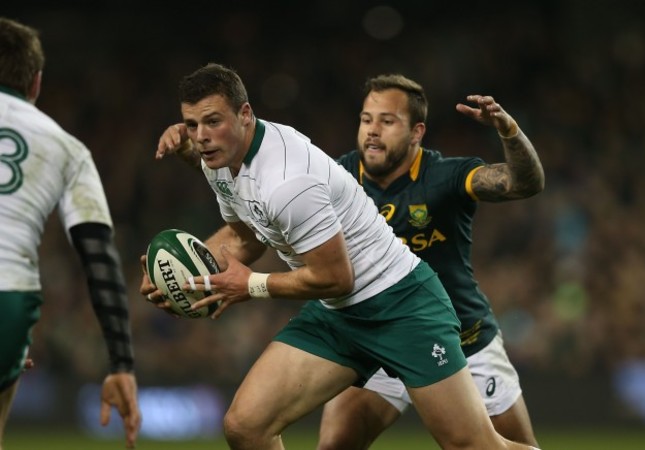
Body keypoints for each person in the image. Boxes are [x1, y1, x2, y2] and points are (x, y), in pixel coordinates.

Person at [144, 62, 540, 450]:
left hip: (402, 306)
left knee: (471, 445)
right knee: (246, 427)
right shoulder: (220, 164)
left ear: (245, 114)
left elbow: (336, 277)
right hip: (339, 313)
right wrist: (185, 276)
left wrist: (251, 285)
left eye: (213, 121)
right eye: (192, 125)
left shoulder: (288, 180)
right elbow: (247, 236)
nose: (201, 137)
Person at [317, 75, 543, 449]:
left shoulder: (445, 176)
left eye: (387, 121)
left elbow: (524, 183)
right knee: (334, 445)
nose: (372, 131)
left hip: (462, 340)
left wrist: (510, 131)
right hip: (382, 339)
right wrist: (202, 157)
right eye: (366, 119)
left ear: (416, 131)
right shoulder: (337, 178)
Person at [0, 17, 141, 449]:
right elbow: (99, 259)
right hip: (9, 295)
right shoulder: (67, 148)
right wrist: (121, 363)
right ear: (36, 83)